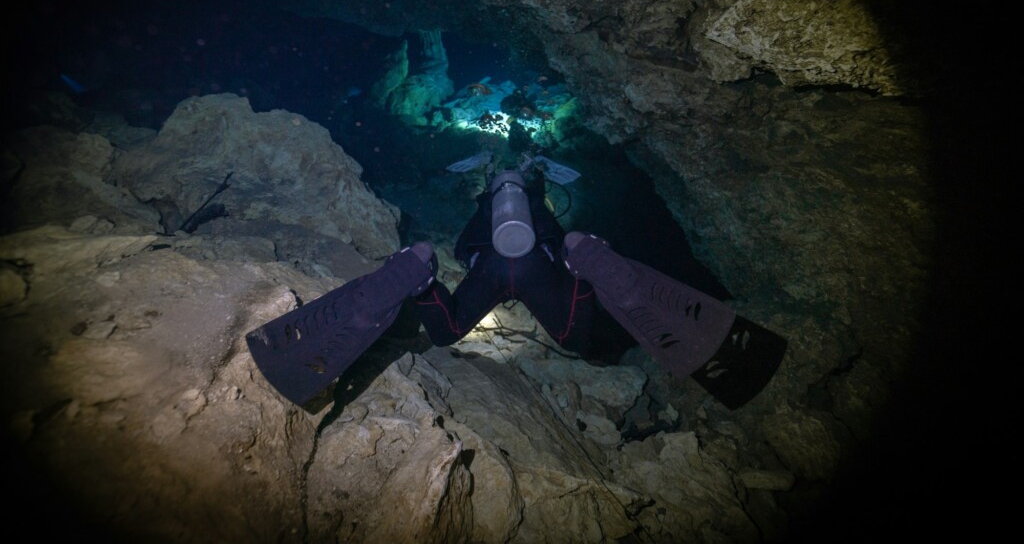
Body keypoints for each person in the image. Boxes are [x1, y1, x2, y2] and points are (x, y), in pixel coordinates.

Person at [246, 156, 786, 410]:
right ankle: (592, 258)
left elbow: (463, 246)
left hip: (487, 267)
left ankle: (408, 270)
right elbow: (546, 237)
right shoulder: (535, 204)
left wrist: (448, 267)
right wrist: (563, 253)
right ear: (529, 186)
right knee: (577, 308)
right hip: (539, 265)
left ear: (489, 186)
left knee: (446, 326)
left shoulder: (485, 205)